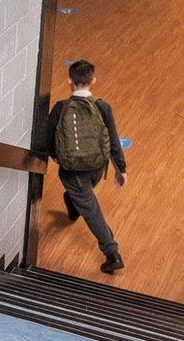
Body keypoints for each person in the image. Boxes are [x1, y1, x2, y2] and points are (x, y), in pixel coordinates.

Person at [46, 60, 128, 274]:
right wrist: (121, 169)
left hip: (73, 171)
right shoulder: (102, 105)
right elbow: (112, 139)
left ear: (69, 82)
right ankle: (73, 204)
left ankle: (112, 254)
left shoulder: (61, 107)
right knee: (83, 197)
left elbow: (46, 140)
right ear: (93, 81)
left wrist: (56, 157)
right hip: (96, 168)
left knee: (91, 210)